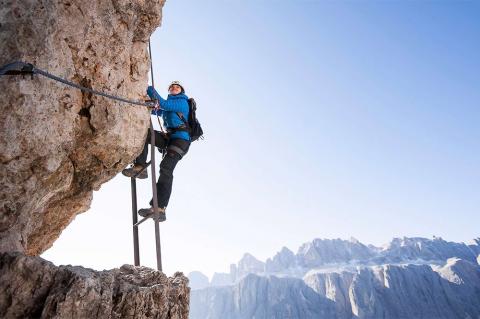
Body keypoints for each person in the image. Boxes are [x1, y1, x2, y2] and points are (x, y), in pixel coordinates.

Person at [122, 81, 191, 220]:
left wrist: (148, 88)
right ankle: (140, 166)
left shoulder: (182, 102)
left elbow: (164, 105)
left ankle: (160, 208)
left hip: (180, 140)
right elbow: (157, 110)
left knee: (166, 169)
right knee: (145, 133)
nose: (173, 88)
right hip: (169, 138)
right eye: (171, 87)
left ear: (181, 91)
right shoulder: (169, 106)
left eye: (177, 87)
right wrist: (142, 105)